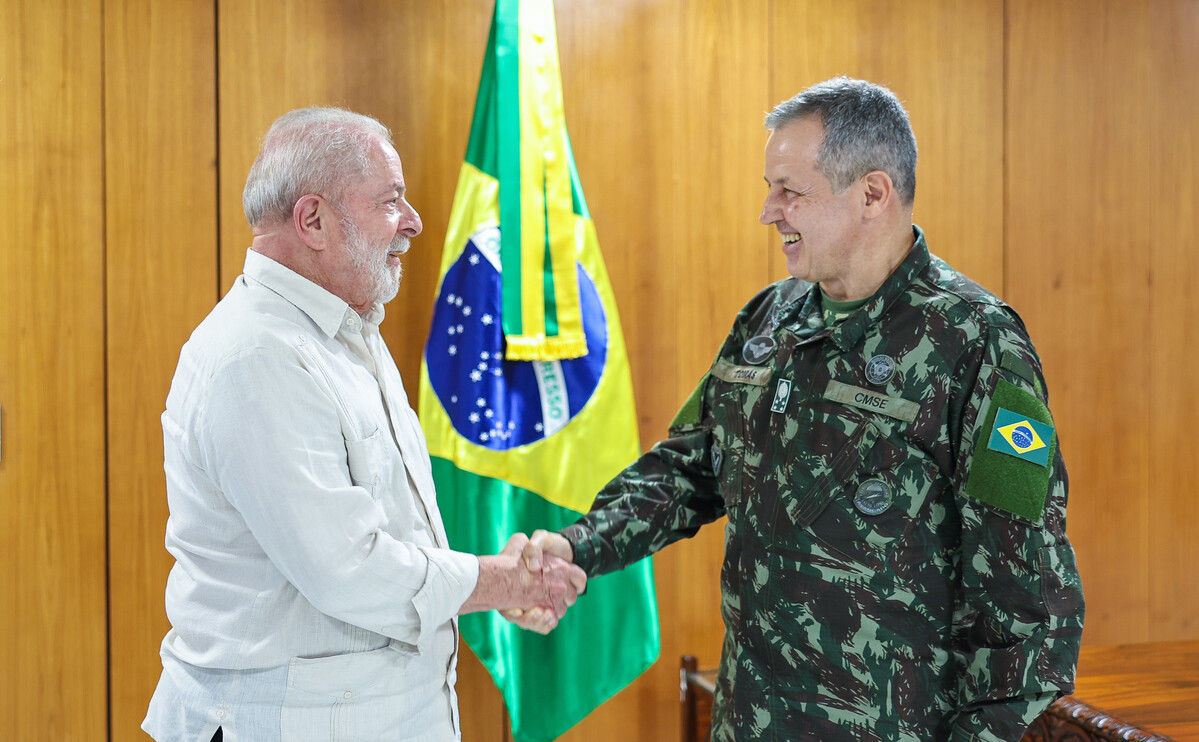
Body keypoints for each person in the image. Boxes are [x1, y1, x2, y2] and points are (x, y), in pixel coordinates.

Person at [524, 77, 1085, 741]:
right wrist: (574, 547)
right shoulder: (767, 319)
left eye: (789, 191)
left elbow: (1029, 601)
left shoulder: (974, 341)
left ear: (871, 193)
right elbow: (688, 468)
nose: (768, 211)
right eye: (770, 188)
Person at [143, 107, 583, 742]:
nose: (413, 222)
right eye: (391, 201)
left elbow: (398, 530)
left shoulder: (345, 330)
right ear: (313, 220)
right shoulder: (257, 356)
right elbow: (347, 570)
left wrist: (491, 584)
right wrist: (498, 580)